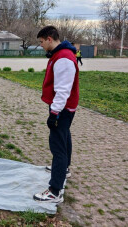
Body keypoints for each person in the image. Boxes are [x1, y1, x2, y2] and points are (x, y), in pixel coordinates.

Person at [33, 26, 79, 203]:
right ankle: (64, 168)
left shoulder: (64, 58)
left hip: (62, 108)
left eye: (42, 42)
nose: (41, 45)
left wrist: (54, 113)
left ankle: (55, 191)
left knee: (57, 146)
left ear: (49, 39)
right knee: (65, 136)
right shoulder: (60, 55)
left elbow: (63, 90)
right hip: (64, 108)